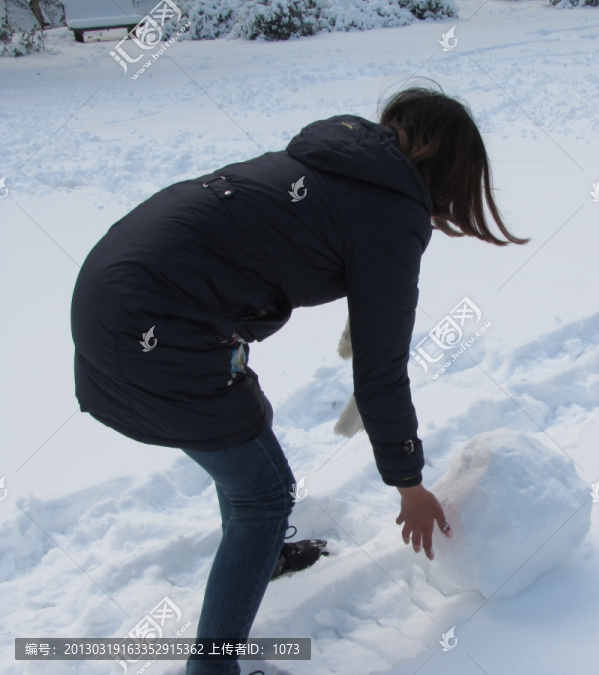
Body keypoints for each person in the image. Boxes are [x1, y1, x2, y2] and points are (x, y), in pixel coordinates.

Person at [69, 84, 529, 675]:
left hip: (111, 293)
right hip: (157, 327)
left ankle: (260, 552)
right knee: (263, 494)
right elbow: (382, 374)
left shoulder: (332, 157)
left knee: (243, 434)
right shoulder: (394, 210)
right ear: (443, 161)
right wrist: (410, 484)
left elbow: (296, 233)